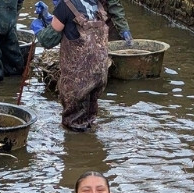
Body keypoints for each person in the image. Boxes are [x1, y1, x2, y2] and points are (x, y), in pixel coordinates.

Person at [34, 0, 133, 131]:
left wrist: (38, 29)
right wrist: (51, 19)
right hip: (99, 75)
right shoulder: (98, 6)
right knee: (89, 117)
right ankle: (91, 144)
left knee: (73, 125)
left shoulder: (65, 7)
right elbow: (72, 25)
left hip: (77, 81)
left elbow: (48, 40)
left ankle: (78, 148)